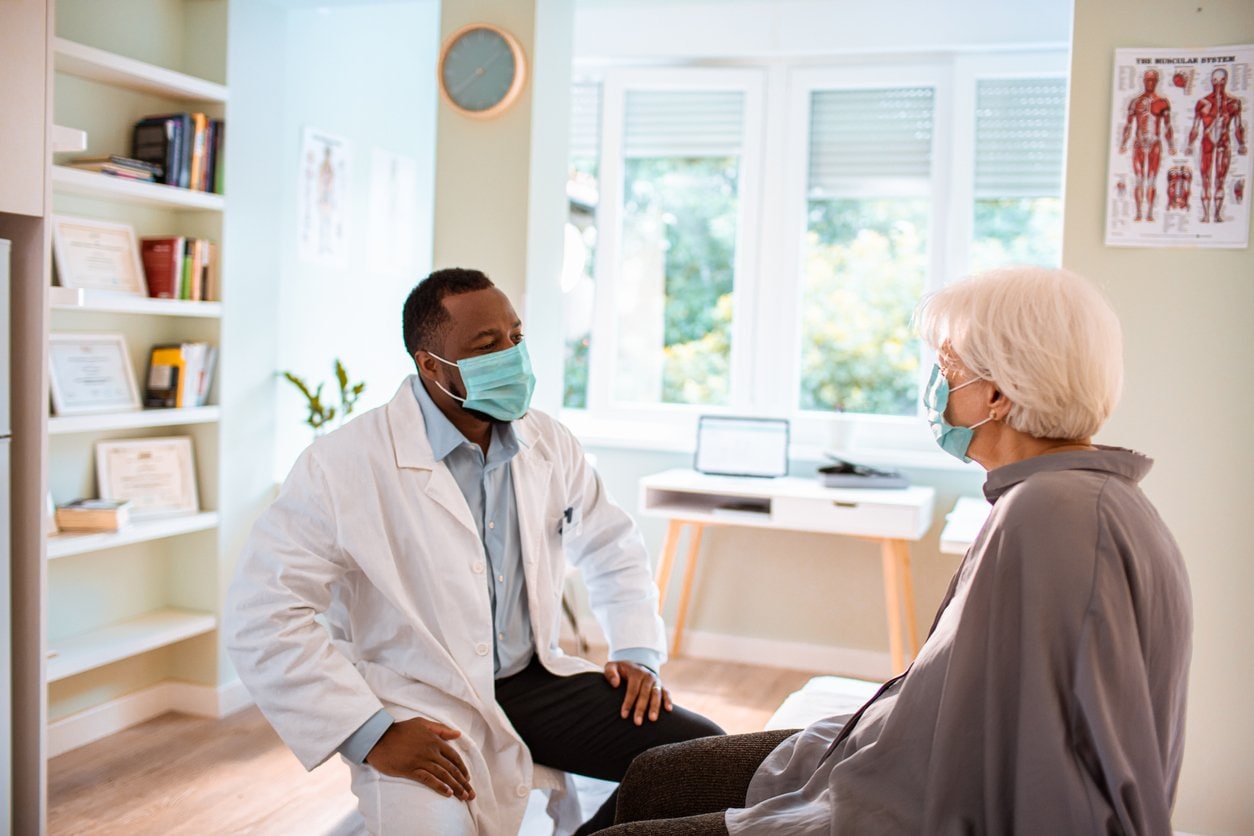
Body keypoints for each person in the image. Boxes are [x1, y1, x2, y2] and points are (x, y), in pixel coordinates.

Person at [595, 266, 1192, 835]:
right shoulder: (1068, 497)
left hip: (913, 797)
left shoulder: (1053, 514)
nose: (936, 385)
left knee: (650, 796)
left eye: (946, 366)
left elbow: (1052, 769)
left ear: (997, 395)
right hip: (900, 749)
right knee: (656, 774)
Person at [226, 268, 724, 835]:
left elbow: (611, 543)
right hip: (422, 698)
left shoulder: (547, 441)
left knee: (704, 763)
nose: (512, 356)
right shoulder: (342, 465)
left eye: (516, 337)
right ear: (431, 365)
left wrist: (637, 649)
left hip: (536, 683)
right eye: (487, 346)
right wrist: (372, 733)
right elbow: (261, 614)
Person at [1186, 66, 1247, 223]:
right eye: (1215, 80)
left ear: (1226, 81)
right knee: (1205, 178)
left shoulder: (1234, 103)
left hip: (1223, 142)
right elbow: (1195, 126)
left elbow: (1238, 126)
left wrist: (1241, 144)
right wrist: (1189, 144)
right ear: (1211, 81)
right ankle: (1206, 215)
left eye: (1221, 80)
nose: (1218, 84)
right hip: (1207, 141)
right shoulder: (1202, 103)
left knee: (1220, 179)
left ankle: (1217, 215)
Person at [1119, 68, 1175, 222]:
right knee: (1138, 178)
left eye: (1153, 80)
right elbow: (1128, 125)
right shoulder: (1135, 102)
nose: (1150, 83)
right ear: (1143, 81)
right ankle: (1138, 213)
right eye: (1147, 80)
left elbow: (1168, 126)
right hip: (1138, 143)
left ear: (1157, 82)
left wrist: (1171, 145)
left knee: (1151, 179)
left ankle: (1149, 213)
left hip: (1155, 143)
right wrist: (1123, 143)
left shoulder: (1162, 102)